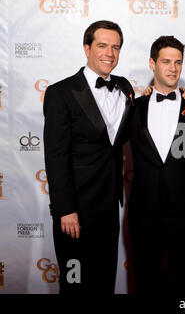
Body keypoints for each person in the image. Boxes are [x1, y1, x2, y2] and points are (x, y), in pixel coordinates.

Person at [43, 20, 135, 293]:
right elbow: (55, 156)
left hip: (108, 209)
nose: (110, 53)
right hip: (76, 212)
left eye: (116, 47)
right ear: (87, 48)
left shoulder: (125, 87)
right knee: (74, 283)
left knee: (103, 281)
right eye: (102, 46)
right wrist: (65, 210)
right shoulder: (61, 93)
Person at [127, 36, 185, 296]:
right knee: (144, 280)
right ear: (152, 63)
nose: (173, 68)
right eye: (166, 62)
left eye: (178, 62)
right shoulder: (133, 108)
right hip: (144, 212)